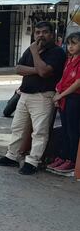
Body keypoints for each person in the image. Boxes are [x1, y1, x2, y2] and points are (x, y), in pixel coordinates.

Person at [0, 21, 66, 175]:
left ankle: (33, 161)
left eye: (44, 32)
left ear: (52, 34)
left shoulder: (56, 52)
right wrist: (37, 69)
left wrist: (34, 53)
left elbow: (45, 72)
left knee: (40, 131)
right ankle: (12, 156)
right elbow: (18, 68)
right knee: (18, 127)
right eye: (37, 32)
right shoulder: (31, 49)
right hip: (25, 94)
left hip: (43, 95)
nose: (40, 36)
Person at [47, 32, 80, 175]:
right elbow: (63, 79)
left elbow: (78, 83)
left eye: (74, 43)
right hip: (64, 98)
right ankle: (63, 156)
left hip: (74, 99)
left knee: (73, 132)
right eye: (69, 44)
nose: (70, 47)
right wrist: (57, 93)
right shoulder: (69, 60)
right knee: (65, 131)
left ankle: (71, 160)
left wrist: (61, 95)